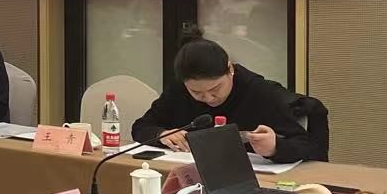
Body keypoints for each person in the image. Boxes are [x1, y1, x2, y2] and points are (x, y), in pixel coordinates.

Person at [132, 33, 314, 161]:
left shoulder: (260, 92)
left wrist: (275, 147)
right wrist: (161, 134)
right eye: (196, 92)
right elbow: (141, 127)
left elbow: (304, 145)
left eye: (215, 88)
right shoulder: (178, 90)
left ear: (230, 69)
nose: (209, 98)